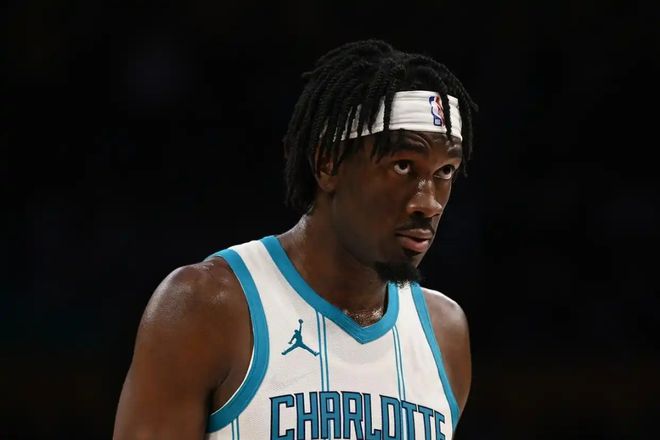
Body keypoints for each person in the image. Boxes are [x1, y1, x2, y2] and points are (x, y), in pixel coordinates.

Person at [113, 39, 477, 440]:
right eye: (403, 166)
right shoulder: (207, 307)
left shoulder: (444, 334)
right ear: (327, 164)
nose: (428, 202)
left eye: (445, 171)